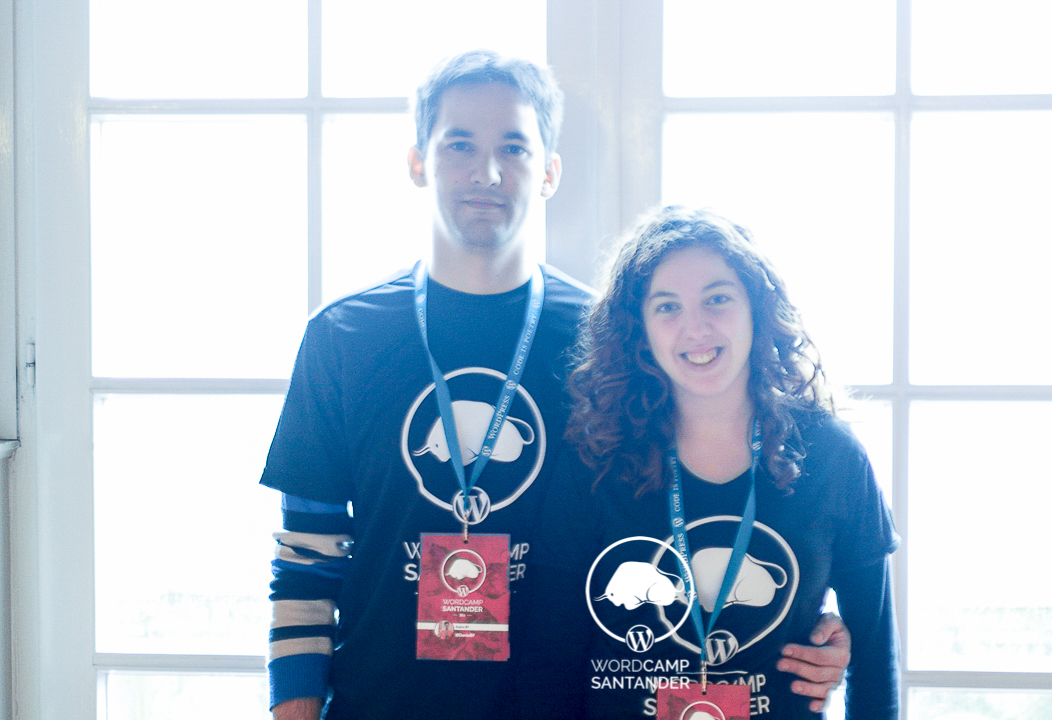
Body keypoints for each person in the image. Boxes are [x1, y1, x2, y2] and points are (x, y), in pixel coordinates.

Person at [260, 51, 854, 720]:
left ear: (549, 173)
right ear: (418, 162)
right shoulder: (343, 337)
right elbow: (306, 559)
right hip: (379, 704)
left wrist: (811, 620)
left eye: (514, 148)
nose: (487, 172)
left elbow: (696, 503)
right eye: (460, 144)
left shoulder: (612, 340)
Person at [533, 206, 900, 718]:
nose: (696, 327)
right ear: (640, 328)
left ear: (756, 308)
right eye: (667, 307)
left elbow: (876, 667)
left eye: (717, 299)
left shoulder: (832, 457)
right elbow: (550, 662)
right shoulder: (596, 459)